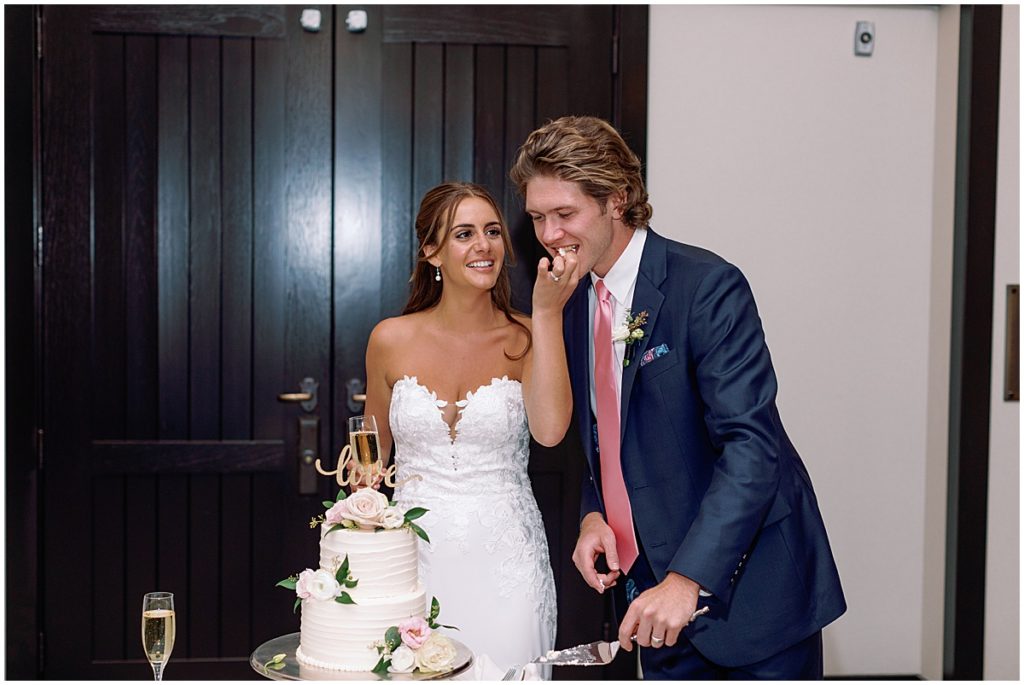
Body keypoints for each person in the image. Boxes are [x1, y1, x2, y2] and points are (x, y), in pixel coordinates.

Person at [509, 116, 847, 679]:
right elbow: (605, 429)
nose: (548, 235)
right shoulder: (573, 301)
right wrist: (596, 510)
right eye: (538, 217)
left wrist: (688, 579)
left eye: (564, 214)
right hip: (650, 602)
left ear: (616, 198)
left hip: (749, 595)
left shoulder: (707, 287)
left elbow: (751, 448)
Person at [361, 181, 581, 675]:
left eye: (493, 232)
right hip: (411, 561)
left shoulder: (528, 334)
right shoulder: (389, 340)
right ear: (431, 251)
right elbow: (369, 461)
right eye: (464, 233)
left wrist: (547, 315)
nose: (484, 245)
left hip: (508, 562)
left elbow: (550, 432)